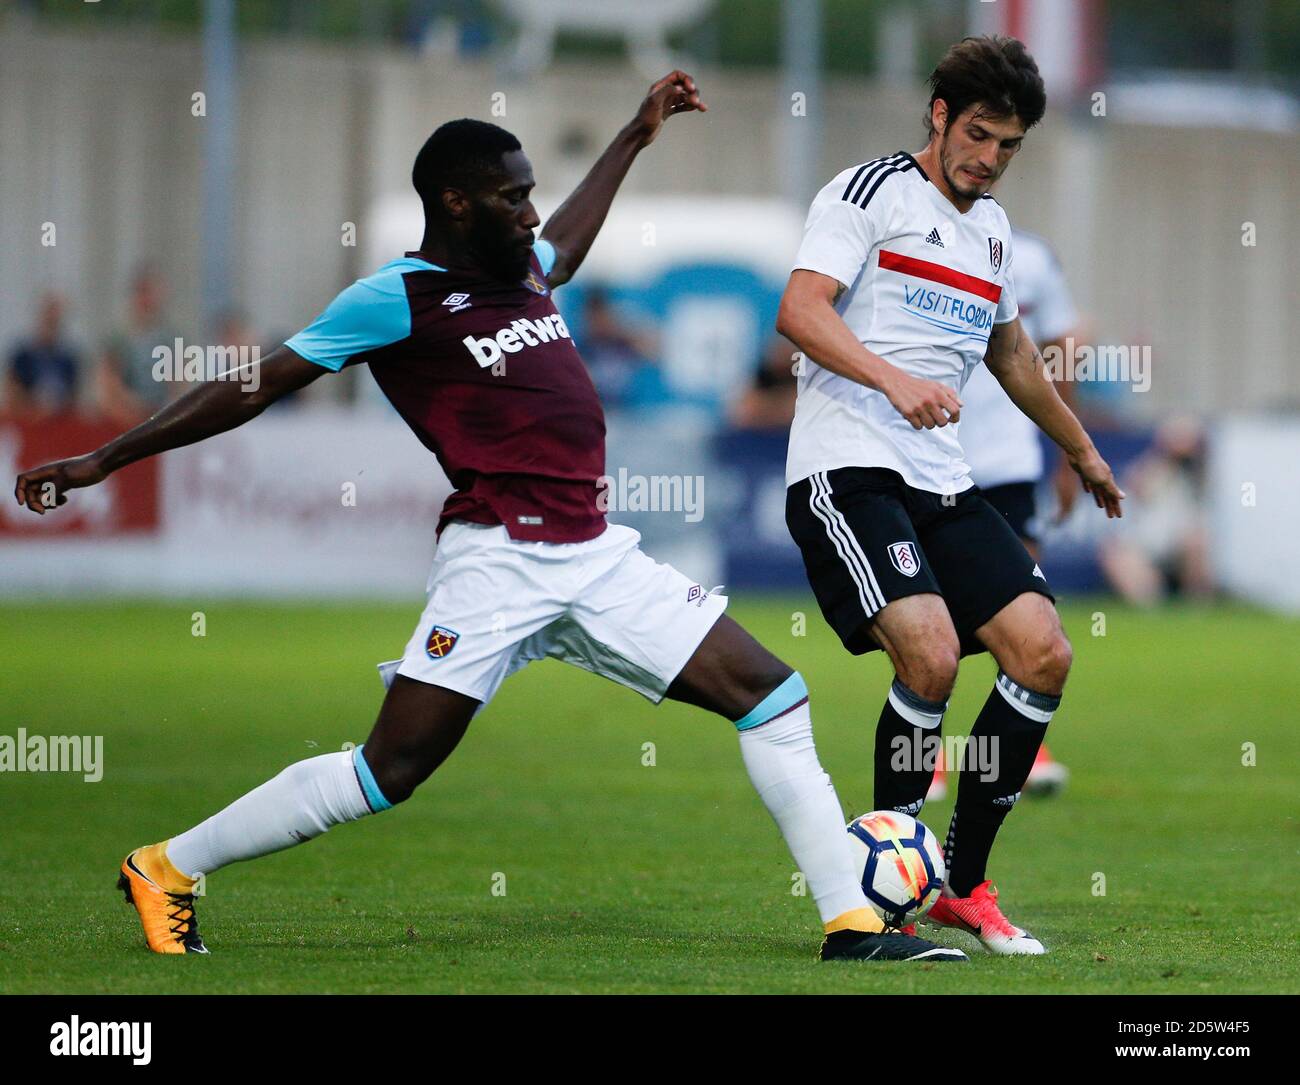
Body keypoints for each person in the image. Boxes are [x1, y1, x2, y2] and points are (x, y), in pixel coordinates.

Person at [14, 71, 965, 965]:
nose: (531, 211)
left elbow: (574, 237)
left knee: (772, 695)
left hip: (595, 556)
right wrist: (104, 455)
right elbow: (257, 384)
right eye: (513, 196)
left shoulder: (525, 268)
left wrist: (636, 136)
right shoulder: (397, 295)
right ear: (457, 203)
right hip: (498, 561)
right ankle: (168, 866)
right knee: (391, 770)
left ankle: (849, 923)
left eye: (531, 191)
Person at [775, 36, 1125, 955]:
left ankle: (961, 885)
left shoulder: (996, 232)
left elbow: (1012, 355)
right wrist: (892, 380)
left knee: (1043, 651)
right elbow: (800, 311)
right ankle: (884, 891)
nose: (989, 157)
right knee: (929, 655)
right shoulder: (868, 192)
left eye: (1008, 145)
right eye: (978, 134)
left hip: (943, 480)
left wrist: (1082, 450)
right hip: (847, 467)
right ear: (939, 115)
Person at [933, 227, 1083, 799]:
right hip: (931, 459)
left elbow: (1062, 349)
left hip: (1008, 461)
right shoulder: (914, 239)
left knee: (1028, 605)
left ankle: (1023, 750)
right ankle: (927, 757)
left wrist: (1070, 455)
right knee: (930, 622)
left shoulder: (1034, 256)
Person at [97, 266, 178, 425]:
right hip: (126, 419)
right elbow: (108, 384)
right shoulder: (118, 338)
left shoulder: (170, 338)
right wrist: (132, 412)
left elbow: (178, 385)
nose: (150, 299)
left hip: (161, 417)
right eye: (145, 292)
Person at [3, 292, 82, 418]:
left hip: (59, 421)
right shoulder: (22, 357)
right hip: (29, 420)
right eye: (48, 318)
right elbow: (12, 391)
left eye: (55, 320)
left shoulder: (68, 359)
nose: (51, 323)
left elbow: (73, 396)